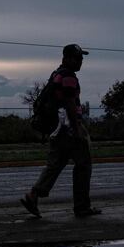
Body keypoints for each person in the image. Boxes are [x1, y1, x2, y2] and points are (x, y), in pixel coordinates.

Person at [20, 44, 101, 219]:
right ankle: (81, 207)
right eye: (77, 58)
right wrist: (77, 128)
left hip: (57, 129)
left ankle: (33, 195)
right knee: (83, 165)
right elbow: (70, 104)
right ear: (67, 58)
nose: (80, 62)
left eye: (81, 58)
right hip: (69, 128)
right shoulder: (68, 77)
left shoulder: (56, 74)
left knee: (55, 164)